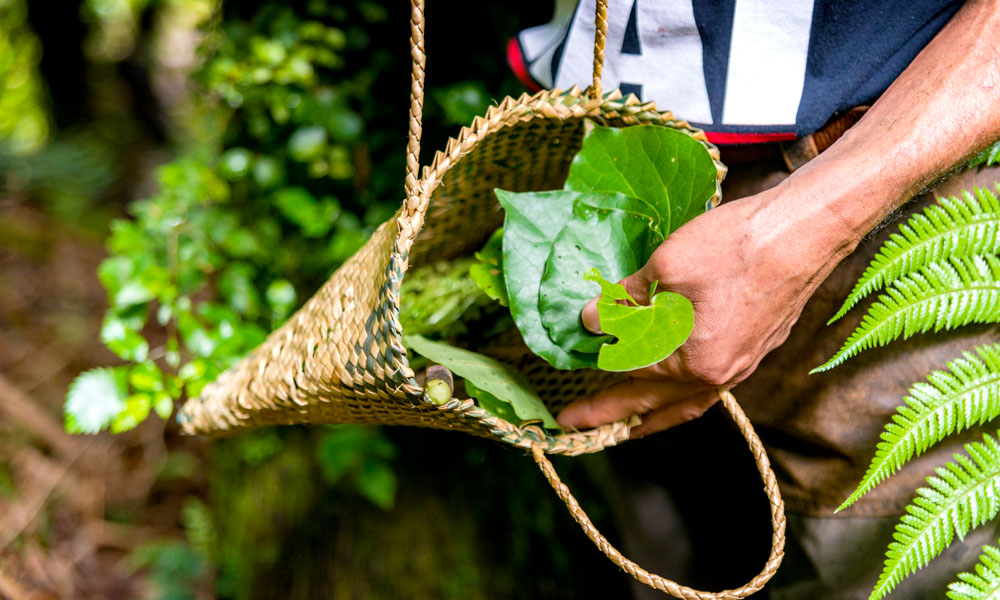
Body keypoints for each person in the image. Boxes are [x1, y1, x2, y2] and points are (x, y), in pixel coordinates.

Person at [509, 1, 1000, 598]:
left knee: (861, 563)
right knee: (663, 533)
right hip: (607, 149)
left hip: (894, 182)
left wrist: (809, 226)